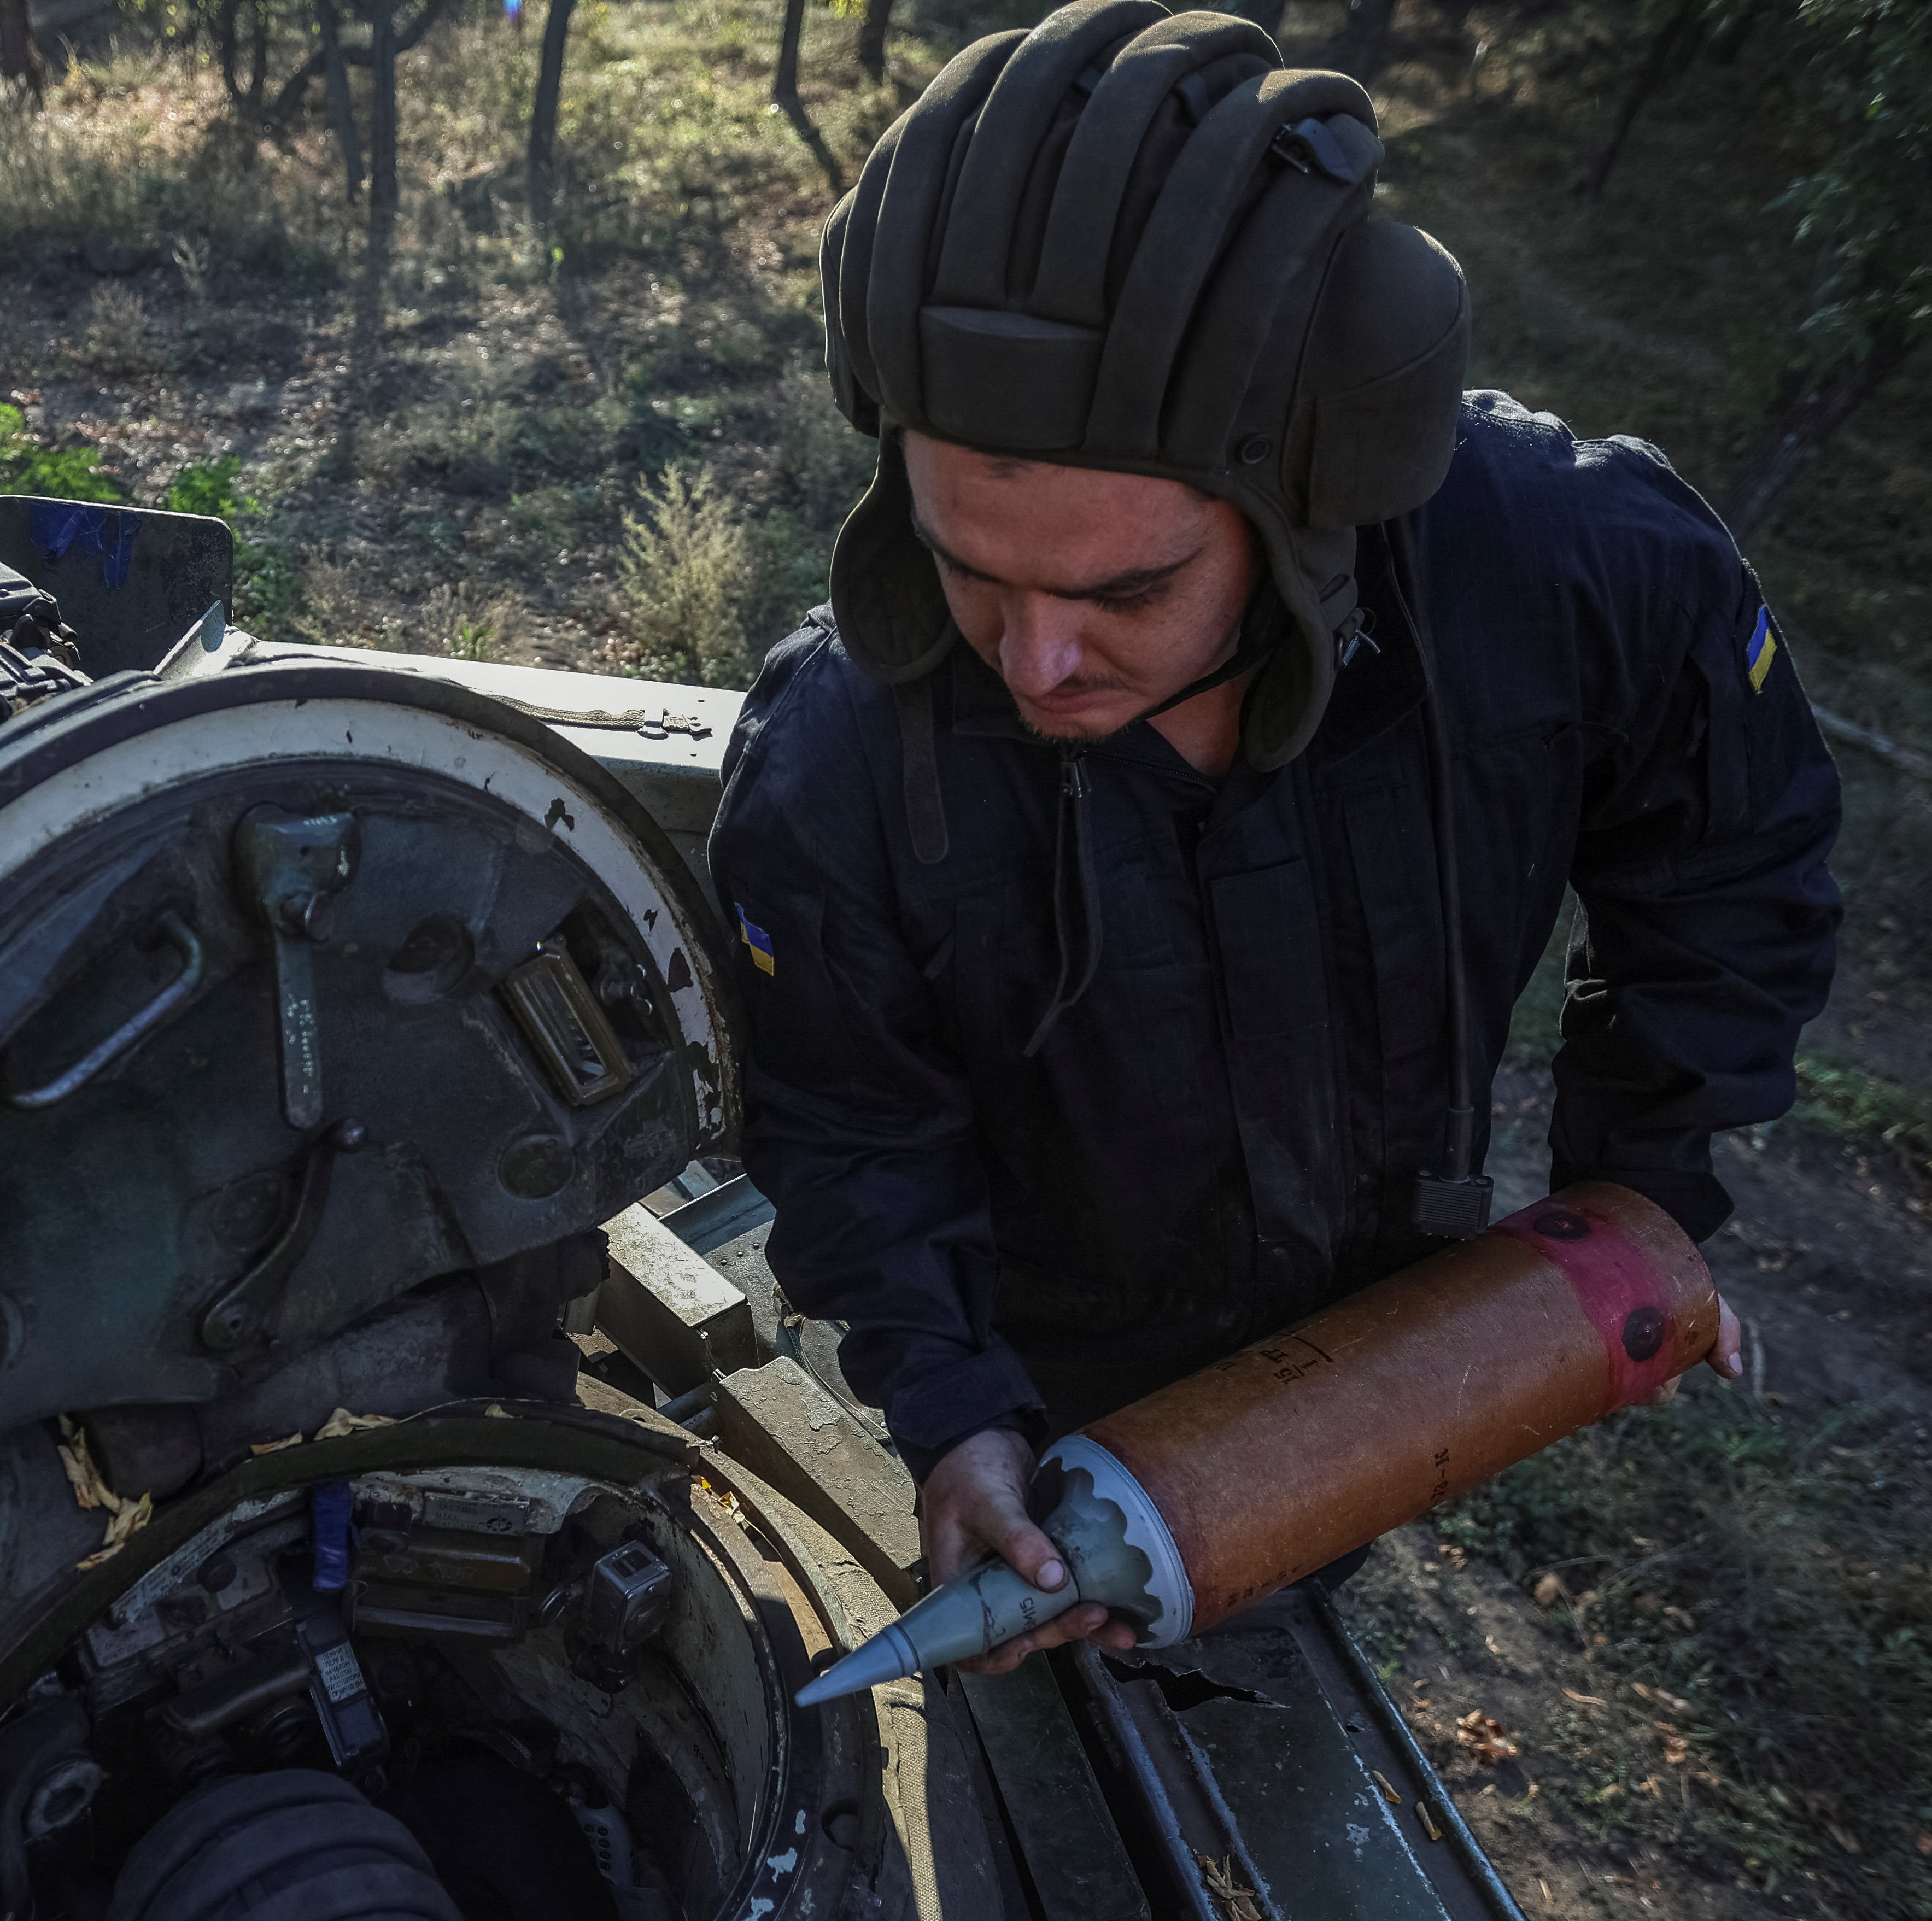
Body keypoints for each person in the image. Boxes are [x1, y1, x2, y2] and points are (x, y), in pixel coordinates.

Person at [711, 0, 1840, 1674]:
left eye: (1127, 589)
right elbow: (855, 1128)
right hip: (1058, 1365)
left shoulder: (1569, 575)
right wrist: (954, 1411)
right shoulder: (838, 764)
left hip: (1384, 1324)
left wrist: (1639, 1193)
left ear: (1312, 496)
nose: (1035, 664)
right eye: (971, 565)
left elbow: (1729, 865)